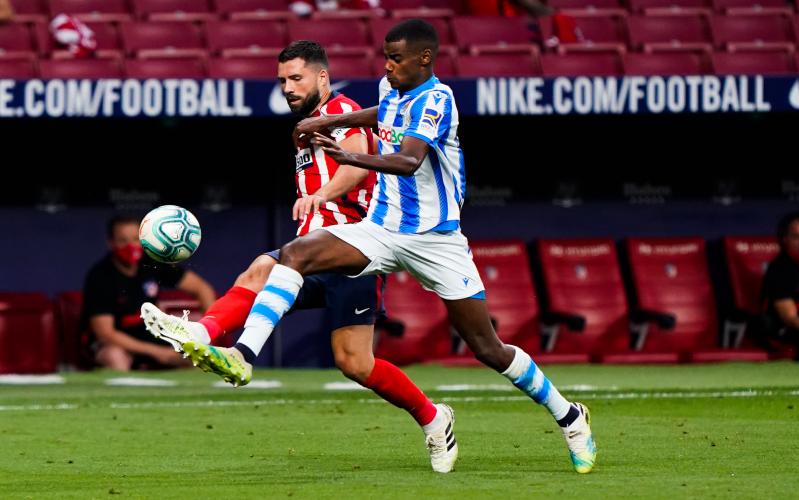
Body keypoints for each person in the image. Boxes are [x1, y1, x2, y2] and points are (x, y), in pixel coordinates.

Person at [174, 19, 596, 474]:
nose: (388, 66)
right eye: (386, 58)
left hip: (436, 241)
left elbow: (409, 159)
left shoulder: (438, 100)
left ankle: (569, 416)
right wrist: (331, 120)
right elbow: (384, 113)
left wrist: (350, 155)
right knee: (293, 254)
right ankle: (241, 355)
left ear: (424, 58)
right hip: (381, 230)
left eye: (396, 59)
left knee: (487, 348)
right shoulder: (391, 88)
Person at [141, 41, 453, 472]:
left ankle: (434, 419)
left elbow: (359, 163)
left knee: (355, 363)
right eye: (282, 81)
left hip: (354, 250)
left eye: (296, 78)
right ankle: (204, 334)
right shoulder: (304, 128)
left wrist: (322, 194)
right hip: (308, 253)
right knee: (260, 271)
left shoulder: (342, 111)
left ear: (322, 77)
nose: (287, 87)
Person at [81, 215, 215, 370]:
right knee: (115, 356)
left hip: (151, 335)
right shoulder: (100, 276)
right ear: (111, 243)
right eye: (123, 241)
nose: (130, 246)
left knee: (198, 356)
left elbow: (203, 289)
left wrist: (207, 334)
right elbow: (106, 334)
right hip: (116, 344)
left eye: (135, 239)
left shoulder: (152, 261)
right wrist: (158, 352)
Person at [761, 211, 799, 359]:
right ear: (784, 239)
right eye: (796, 237)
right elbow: (791, 319)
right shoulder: (779, 270)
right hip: (784, 330)